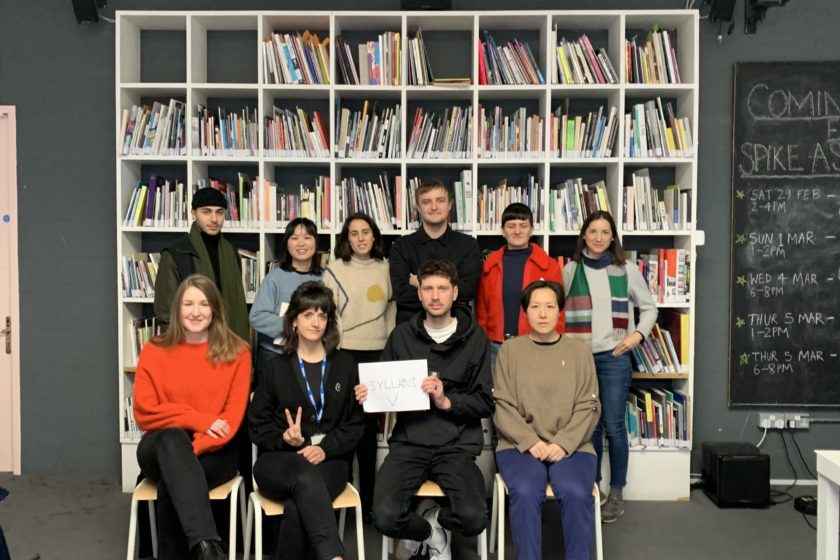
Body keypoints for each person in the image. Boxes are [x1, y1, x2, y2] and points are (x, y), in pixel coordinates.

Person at [355, 260, 493, 560]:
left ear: (455, 293)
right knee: (384, 516)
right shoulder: (401, 336)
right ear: (419, 295)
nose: (434, 296)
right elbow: (381, 390)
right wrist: (368, 394)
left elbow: (485, 401)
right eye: (428, 288)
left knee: (474, 517)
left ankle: (435, 517)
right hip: (408, 444)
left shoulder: (476, 338)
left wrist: (447, 401)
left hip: (457, 446)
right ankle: (428, 532)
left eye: (442, 288)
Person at [134, 274, 251, 560]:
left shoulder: (238, 352)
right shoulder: (154, 350)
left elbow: (231, 420)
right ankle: (208, 545)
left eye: (203, 304)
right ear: (177, 309)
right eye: (188, 304)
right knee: (174, 440)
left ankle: (204, 549)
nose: (196, 312)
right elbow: (144, 412)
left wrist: (190, 450)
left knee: (173, 484)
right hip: (160, 446)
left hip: (216, 448)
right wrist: (197, 420)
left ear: (215, 310)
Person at [248, 281, 364, 560]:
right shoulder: (276, 368)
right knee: (304, 478)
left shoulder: (345, 366)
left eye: (322, 315)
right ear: (294, 321)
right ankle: (333, 555)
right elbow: (257, 424)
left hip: (330, 459)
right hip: (279, 459)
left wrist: (325, 448)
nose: (316, 322)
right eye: (308, 315)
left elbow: (355, 425)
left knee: (299, 505)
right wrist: (284, 438)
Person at [493, 280, 600, 560]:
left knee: (577, 492)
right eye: (535, 306)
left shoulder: (579, 352)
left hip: (573, 445)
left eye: (550, 306)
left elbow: (589, 404)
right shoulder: (510, 351)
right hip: (519, 445)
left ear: (560, 311)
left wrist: (564, 443)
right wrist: (530, 441)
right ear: (525, 312)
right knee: (527, 491)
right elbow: (502, 405)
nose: (542, 313)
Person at [563, 210, 657, 523]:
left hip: (614, 358)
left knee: (615, 427)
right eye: (593, 231)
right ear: (584, 236)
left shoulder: (626, 270)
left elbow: (649, 308)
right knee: (589, 427)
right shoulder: (570, 270)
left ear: (613, 237)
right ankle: (593, 488)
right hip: (579, 359)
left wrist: (636, 336)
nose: (599, 237)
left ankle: (616, 492)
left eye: (605, 232)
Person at [322, 212, 395, 520]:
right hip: (345, 354)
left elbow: (391, 309)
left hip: (378, 354)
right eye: (354, 233)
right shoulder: (335, 269)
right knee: (344, 426)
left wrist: (391, 348)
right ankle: (342, 498)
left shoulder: (387, 267)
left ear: (375, 236)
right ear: (346, 238)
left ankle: (368, 505)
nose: (361, 238)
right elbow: (330, 313)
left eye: (366, 232)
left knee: (368, 433)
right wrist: (334, 352)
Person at [153, 187, 249, 341]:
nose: (214, 219)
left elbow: (238, 307)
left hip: (229, 345)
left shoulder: (231, 252)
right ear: (193, 213)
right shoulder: (176, 254)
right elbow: (166, 313)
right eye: (206, 212)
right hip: (191, 345)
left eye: (219, 212)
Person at [476, 202, 564, 367]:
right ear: (503, 230)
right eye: (511, 226)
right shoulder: (490, 266)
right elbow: (482, 310)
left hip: (537, 343)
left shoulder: (549, 266)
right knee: (498, 392)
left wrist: (555, 342)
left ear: (531, 230)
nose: (517, 231)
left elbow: (559, 310)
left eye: (523, 225)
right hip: (497, 346)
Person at [389, 179, 481, 323]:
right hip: (411, 329)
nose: (433, 207)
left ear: (450, 204)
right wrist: (449, 288)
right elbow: (401, 294)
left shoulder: (468, 245)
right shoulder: (401, 246)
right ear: (418, 208)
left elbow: (468, 290)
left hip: (457, 329)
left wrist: (419, 283)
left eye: (440, 200)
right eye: (426, 202)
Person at [249, 217, 322, 379]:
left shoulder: (325, 279)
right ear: (287, 244)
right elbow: (256, 317)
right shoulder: (275, 277)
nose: (301, 243)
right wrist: (293, 325)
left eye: (307, 237)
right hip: (275, 355)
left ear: (316, 242)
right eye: (294, 238)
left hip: (312, 354)